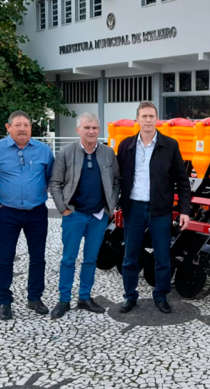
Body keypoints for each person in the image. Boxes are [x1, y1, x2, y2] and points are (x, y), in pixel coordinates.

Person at [117, 101, 191, 314]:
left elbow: (182, 181)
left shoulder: (170, 145)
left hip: (160, 210)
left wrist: (184, 210)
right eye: (144, 116)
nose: (148, 120)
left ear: (157, 120)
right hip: (134, 208)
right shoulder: (126, 146)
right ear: (137, 120)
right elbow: (116, 177)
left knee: (162, 256)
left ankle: (161, 296)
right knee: (130, 255)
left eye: (151, 116)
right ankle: (129, 296)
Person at [0, 111, 54, 320]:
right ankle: (4, 301)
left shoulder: (43, 150)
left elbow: (50, 176)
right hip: (7, 212)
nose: (23, 129)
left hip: (37, 212)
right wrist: (5, 191)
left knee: (38, 257)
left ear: (31, 128)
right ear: (8, 127)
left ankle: (35, 297)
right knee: (5, 258)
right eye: (18, 125)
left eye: (27, 125)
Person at [48, 112, 120, 319]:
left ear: (99, 130)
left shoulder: (108, 153)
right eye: (86, 128)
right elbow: (55, 183)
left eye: (94, 128)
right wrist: (64, 208)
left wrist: (110, 207)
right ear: (78, 129)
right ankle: (64, 300)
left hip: (98, 216)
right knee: (68, 259)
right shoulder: (66, 153)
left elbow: (117, 181)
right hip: (74, 215)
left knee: (90, 259)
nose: (91, 131)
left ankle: (85, 297)